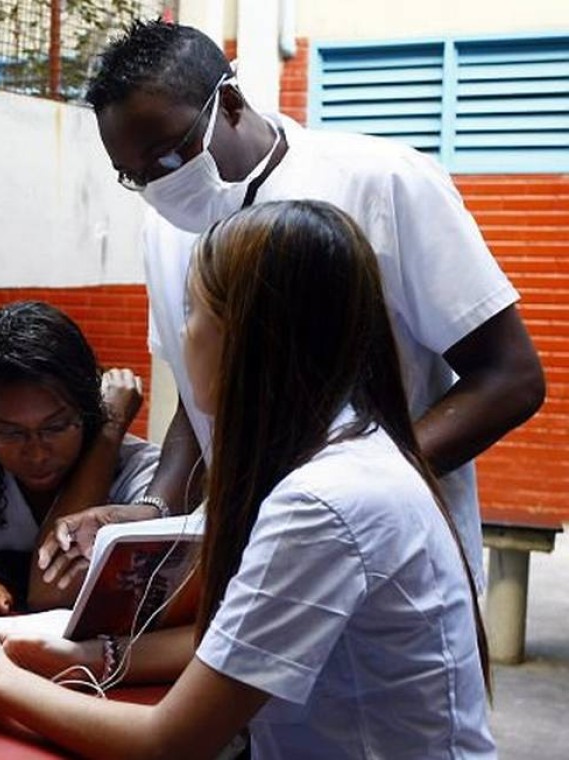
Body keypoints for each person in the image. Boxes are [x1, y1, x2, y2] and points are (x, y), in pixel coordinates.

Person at [0, 200, 495, 759]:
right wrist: (82, 657)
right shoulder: (338, 455)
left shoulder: (323, 503)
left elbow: (171, 742)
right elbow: (226, 645)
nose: (181, 338)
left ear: (248, 339)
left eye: (192, 313)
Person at [42, 19, 544, 589]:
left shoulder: (381, 183)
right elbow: (196, 400)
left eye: (166, 158)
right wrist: (153, 513)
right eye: (133, 177)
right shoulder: (165, 230)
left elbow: (511, 377)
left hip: (388, 558)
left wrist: (351, 495)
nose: (158, 187)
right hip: (257, 560)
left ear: (228, 102)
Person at [0, 301, 159, 616]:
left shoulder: (140, 475)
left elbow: (53, 592)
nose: (36, 453)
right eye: (9, 433)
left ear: (88, 409)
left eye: (56, 426)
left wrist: (110, 430)